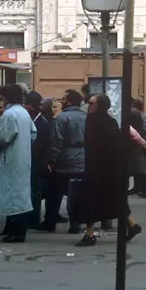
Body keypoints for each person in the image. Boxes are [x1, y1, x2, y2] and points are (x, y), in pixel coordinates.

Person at [76, 94, 142, 247]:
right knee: (113, 199)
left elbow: (91, 145)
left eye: (92, 103)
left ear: (100, 105)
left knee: (90, 201)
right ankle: (132, 225)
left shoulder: (92, 121)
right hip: (111, 169)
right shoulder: (111, 121)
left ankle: (89, 234)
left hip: (95, 168)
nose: (89, 105)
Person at [0, 85, 36, 243]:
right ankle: (16, 230)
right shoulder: (23, 112)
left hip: (11, 158)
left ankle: (17, 232)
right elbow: (33, 132)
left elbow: (1, 137)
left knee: (13, 195)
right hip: (23, 157)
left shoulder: (9, 114)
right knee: (21, 194)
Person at [41, 89, 88, 233]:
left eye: (63, 99)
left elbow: (56, 141)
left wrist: (51, 160)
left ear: (70, 101)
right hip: (82, 159)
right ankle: (76, 224)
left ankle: (50, 222)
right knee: (77, 194)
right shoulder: (86, 117)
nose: (61, 101)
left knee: (54, 193)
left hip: (64, 161)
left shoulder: (61, 118)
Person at [24, 91, 51, 229]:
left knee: (35, 190)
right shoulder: (37, 120)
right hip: (31, 159)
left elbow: (44, 145)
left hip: (36, 160)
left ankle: (33, 218)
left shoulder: (42, 123)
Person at [126, 98, 146, 194]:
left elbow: (143, 129)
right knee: (137, 167)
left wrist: (138, 136)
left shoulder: (141, 115)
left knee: (138, 167)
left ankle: (138, 187)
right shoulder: (140, 115)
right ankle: (137, 187)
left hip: (137, 143)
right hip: (137, 143)